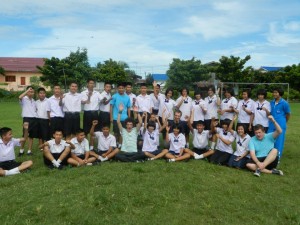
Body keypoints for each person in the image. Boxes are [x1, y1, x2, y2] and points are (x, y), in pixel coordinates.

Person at [268, 88, 291, 159]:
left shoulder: (284, 103)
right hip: (271, 124)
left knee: (279, 140)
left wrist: (284, 121)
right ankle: (269, 155)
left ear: (280, 93)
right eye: (274, 92)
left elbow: (288, 114)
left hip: (280, 124)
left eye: (276, 92)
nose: (274, 94)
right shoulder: (271, 102)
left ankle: (277, 157)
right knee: (270, 138)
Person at [18, 86, 38, 156]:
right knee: (25, 135)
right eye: (29, 91)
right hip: (26, 119)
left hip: (34, 119)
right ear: (26, 92)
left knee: (31, 136)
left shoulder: (34, 101)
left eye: (32, 91)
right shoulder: (24, 99)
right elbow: (19, 97)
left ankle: (29, 151)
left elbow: (36, 110)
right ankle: (21, 150)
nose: (31, 92)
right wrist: (27, 91)